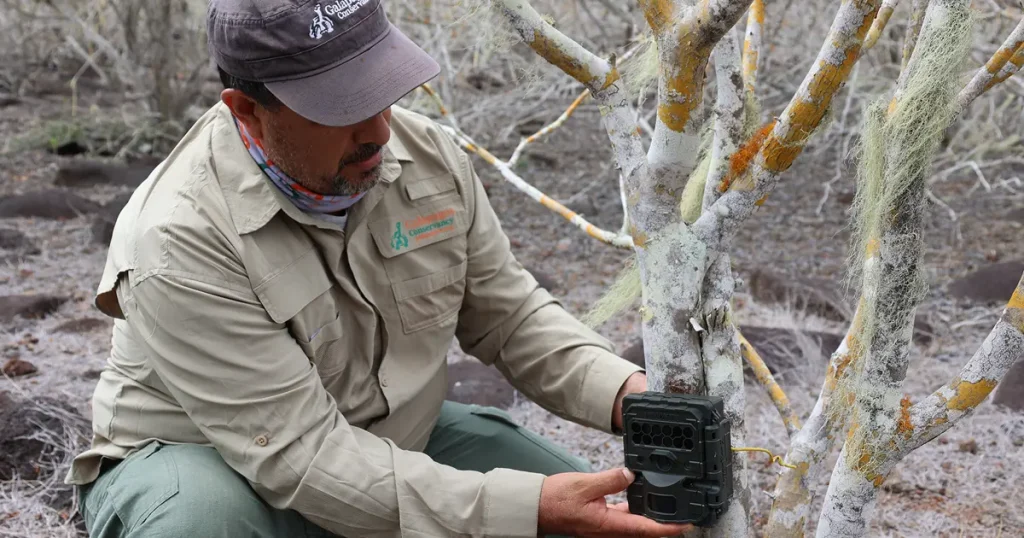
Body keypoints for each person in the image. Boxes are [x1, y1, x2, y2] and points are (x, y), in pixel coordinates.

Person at [64, 0, 694, 537]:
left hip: (387, 436)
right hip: (210, 460)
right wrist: (521, 509)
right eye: (340, 108)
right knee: (199, 522)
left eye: (382, 91)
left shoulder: (430, 158)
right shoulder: (179, 236)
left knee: (595, 518)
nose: (379, 130)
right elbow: (303, 457)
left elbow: (510, 317)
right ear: (248, 111)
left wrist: (633, 399)